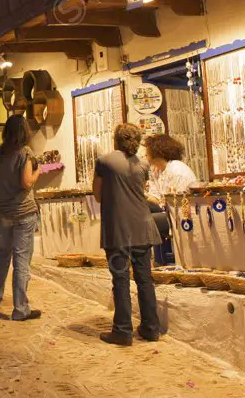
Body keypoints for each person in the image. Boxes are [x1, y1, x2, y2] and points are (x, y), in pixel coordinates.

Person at [93, 123, 162, 346]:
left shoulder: (104, 162)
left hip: (118, 231)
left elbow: (97, 195)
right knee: (145, 280)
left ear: (115, 139)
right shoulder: (142, 164)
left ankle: (122, 331)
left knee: (121, 280)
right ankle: (151, 328)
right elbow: (140, 191)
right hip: (142, 227)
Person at [0, 114, 43, 322]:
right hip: (23, 212)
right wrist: (38, 172)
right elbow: (26, 182)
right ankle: (20, 309)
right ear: (24, 132)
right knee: (21, 260)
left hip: (3, 212)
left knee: (2, 256)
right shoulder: (24, 153)